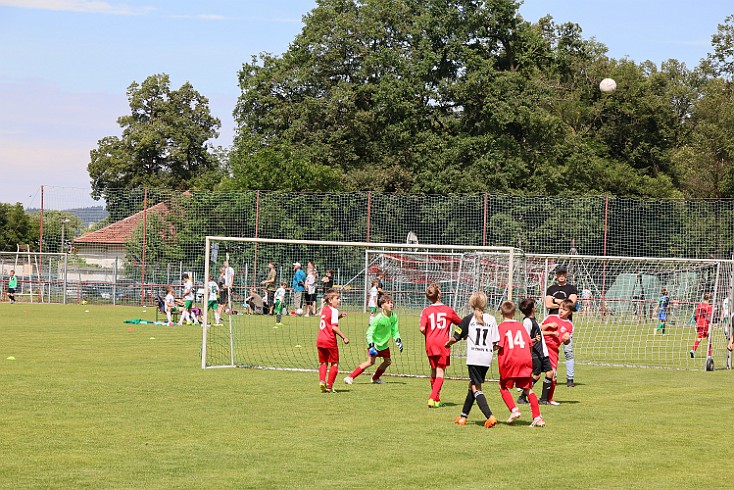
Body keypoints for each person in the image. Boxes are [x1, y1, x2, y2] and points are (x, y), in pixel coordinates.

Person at [445, 292, 500, 428]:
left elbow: (455, 338)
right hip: (487, 358)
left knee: (476, 387)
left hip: (474, 357)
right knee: (472, 385)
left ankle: (490, 416)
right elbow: (496, 344)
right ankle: (463, 416)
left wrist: (447, 345)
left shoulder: (468, 319)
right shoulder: (492, 319)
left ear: (471, 304)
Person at [496, 300, 545, 427]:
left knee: (502, 386)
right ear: (514, 312)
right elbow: (529, 343)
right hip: (525, 360)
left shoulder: (501, 327)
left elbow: (498, 345)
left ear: (501, 312)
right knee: (528, 389)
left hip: (510, 360)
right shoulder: (520, 326)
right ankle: (538, 417)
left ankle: (514, 410)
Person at [419, 283, 462, 408]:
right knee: (440, 372)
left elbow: (422, 328)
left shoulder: (426, 311)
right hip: (443, 343)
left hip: (430, 343)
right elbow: (461, 323)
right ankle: (432, 397)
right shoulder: (448, 310)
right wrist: (460, 335)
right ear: (439, 295)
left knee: (433, 371)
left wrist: (430, 334)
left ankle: (437, 400)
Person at [344, 294, 403, 385]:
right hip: (375, 344)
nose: (391, 305)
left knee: (387, 361)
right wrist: (371, 345)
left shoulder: (393, 316)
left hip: (384, 345)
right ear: (382, 305)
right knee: (370, 362)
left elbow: (394, 330)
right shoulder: (378, 318)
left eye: (391, 303)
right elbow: (369, 332)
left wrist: (398, 340)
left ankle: (375, 378)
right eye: (388, 303)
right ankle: (350, 377)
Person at [545, 264, 578, 387]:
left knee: (568, 351)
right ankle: (553, 376)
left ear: (566, 275)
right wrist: (564, 303)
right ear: (556, 275)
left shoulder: (571, 288)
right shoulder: (551, 288)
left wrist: (556, 301)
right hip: (552, 323)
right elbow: (548, 305)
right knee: (552, 351)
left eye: (563, 273)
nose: (561, 276)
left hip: (566, 324)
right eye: (559, 274)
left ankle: (570, 379)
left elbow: (572, 304)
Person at [516, 298, 554, 406]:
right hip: (535, 353)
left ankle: (543, 399)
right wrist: (534, 340)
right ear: (532, 308)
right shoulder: (527, 322)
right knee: (536, 375)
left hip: (542, 351)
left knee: (550, 373)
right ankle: (522, 397)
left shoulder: (533, 320)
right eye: (534, 305)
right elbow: (525, 339)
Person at [540, 299, 574, 405]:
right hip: (542, 345)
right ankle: (524, 394)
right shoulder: (551, 317)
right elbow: (539, 328)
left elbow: (567, 342)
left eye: (564, 310)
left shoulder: (570, 325)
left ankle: (548, 399)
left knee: (553, 373)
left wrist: (567, 338)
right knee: (535, 371)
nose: (561, 311)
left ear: (570, 312)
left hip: (553, 350)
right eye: (560, 308)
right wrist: (550, 327)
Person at [317, 288, 350, 393]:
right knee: (334, 363)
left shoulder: (325, 309)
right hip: (330, 340)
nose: (339, 300)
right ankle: (329, 386)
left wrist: (339, 316)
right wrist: (344, 337)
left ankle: (322, 381)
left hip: (320, 340)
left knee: (323, 362)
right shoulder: (334, 310)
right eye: (337, 298)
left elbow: (328, 322)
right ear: (330, 300)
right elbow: (334, 327)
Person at [690, 293, 713, 358]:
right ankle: (709, 355)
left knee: (699, 338)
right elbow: (709, 317)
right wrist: (709, 327)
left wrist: (696, 324)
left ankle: (693, 350)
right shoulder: (709, 306)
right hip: (705, 324)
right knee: (709, 340)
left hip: (699, 324)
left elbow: (695, 316)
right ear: (709, 299)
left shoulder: (699, 305)